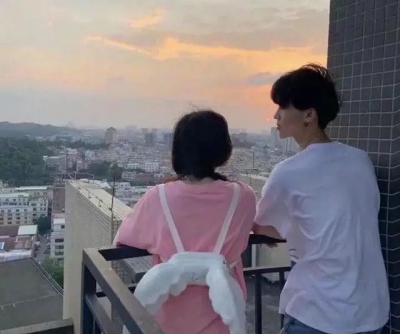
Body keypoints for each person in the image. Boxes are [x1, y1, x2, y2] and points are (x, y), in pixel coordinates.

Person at [253, 63, 390, 334]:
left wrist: (273, 231)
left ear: (309, 115)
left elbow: (262, 226)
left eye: (283, 106)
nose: (276, 115)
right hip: (370, 311)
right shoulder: (360, 160)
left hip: (319, 311)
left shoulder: (289, 172)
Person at [114, 110, 256, 334]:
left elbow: (123, 240)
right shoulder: (243, 197)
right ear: (223, 149)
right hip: (224, 321)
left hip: (167, 321)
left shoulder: (158, 197)